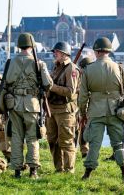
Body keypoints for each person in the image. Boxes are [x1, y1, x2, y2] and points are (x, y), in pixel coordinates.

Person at [78, 37, 124, 184]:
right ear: (109, 51)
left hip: (96, 112)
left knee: (94, 144)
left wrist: (83, 114)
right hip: (116, 111)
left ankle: (87, 174)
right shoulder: (119, 67)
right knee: (119, 144)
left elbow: (83, 97)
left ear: (96, 51)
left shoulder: (88, 70)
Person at [5, 33, 53, 179]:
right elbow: (48, 84)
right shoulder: (39, 63)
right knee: (32, 138)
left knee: (16, 137)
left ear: (19, 46)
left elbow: (7, 80)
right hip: (32, 105)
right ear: (32, 46)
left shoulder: (11, 62)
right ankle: (33, 171)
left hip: (14, 104)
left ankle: (17, 170)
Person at [46, 41, 80, 173]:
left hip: (65, 111)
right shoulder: (56, 67)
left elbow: (70, 91)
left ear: (65, 54)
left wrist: (52, 87)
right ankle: (59, 169)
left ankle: (69, 169)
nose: (54, 54)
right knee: (52, 140)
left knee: (66, 141)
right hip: (52, 109)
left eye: (57, 52)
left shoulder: (71, 68)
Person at [76, 56, 94, 158]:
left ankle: (86, 150)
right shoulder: (80, 77)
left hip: (89, 107)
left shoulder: (90, 77)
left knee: (87, 130)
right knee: (82, 130)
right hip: (81, 106)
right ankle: (84, 151)